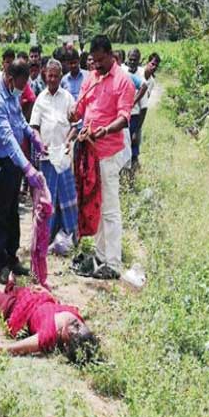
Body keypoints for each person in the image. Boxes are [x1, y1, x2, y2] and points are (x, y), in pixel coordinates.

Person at [71, 35, 135, 280]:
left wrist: (104, 130)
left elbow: (124, 117)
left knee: (110, 209)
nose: (95, 65)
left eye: (100, 61)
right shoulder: (93, 78)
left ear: (111, 56)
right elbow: (81, 107)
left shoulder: (122, 81)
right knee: (94, 206)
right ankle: (99, 255)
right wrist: (74, 113)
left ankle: (114, 263)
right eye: (94, 61)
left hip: (108, 153)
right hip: (89, 153)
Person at [0, 60, 46, 284]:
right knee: (1, 213)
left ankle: (12, 257)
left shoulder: (12, 93)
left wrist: (32, 135)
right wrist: (28, 166)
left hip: (14, 160)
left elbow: (19, 121)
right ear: (11, 79)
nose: (23, 89)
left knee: (13, 210)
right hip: (1, 159)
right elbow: (7, 138)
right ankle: (1, 264)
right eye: (21, 84)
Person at [0, 279, 98, 360]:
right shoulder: (76, 317)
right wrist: (48, 294)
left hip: (18, 310)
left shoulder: (47, 336)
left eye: (74, 329)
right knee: (16, 288)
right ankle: (11, 286)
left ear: (66, 343)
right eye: (79, 325)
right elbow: (57, 305)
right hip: (35, 295)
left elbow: (14, 348)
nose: (75, 323)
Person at [30, 60, 78, 244]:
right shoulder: (40, 99)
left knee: (65, 197)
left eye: (56, 76)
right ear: (45, 75)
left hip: (63, 157)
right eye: (49, 75)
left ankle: (69, 234)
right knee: (47, 198)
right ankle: (46, 237)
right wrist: (39, 142)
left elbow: (75, 126)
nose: (52, 79)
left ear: (60, 76)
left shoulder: (67, 98)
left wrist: (68, 141)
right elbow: (34, 127)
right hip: (47, 157)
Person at [133, 53, 161, 171]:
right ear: (147, 63)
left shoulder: (151, 82)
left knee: (136, 139)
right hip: (129, 109)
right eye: (152, 64)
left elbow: (145, 101)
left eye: (156, 66)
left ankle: (135, 163)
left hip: (138, 111)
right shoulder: (137, 72)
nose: (153, 67)